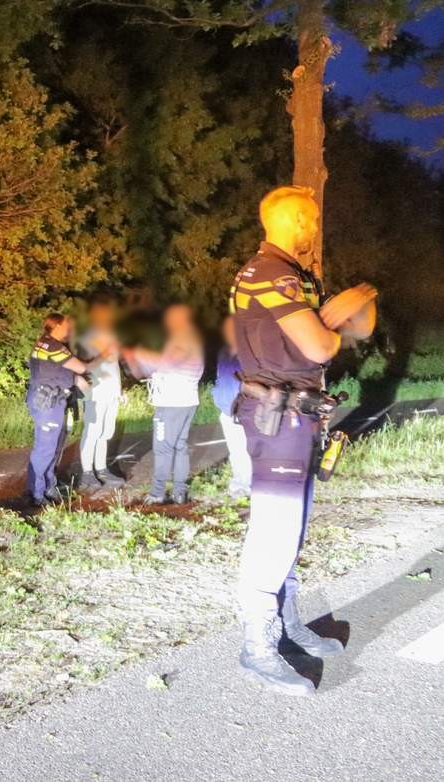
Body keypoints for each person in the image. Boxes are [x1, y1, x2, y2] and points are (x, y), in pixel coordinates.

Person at [229, 185, 377, 696]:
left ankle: (288, 624)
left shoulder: (297, 277)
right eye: (309, 219)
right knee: (274, 529)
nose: (315, 228)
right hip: (276, 416)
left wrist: (355, 307)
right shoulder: (266, 272)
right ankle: (257, 645)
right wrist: (329, 325)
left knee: (292, 528)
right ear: (291, 219)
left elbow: (355, 334)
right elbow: (321, 344)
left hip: (302, 416)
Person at [123, 304, 204, 504]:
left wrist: (136, 352)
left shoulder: (183, 338)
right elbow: (144, 371)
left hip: (171, 403)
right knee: (179, 446)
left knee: (163, 448)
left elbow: (165, 363)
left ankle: (158, 493)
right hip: (186, 400)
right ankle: (179, 491)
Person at [26, 314, 88, 506]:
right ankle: (37, 494)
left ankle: (48, 485)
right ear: (58, 325)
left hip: (52, 400)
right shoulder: (53, 345)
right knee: (45, 449)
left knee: (52, 447)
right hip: (48, 403)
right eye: (67, 325)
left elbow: (57, 369)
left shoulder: (44, 344)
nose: (69, 329)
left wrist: (74, 379)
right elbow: (80, 367)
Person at [77, 298, 124, 489]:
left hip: (111, 394)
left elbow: (114, 367)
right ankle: (87, 472)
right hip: (95, 393)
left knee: (105, 433)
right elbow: (84, 366)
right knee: (92, 432)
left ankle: (102, 469)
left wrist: (121, 390)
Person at [211, 316, 252, 498]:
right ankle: (240, 484)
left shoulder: (250, 352)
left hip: (246, 409)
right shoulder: (224, 352)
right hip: (227, 408)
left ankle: (251, 484)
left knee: (248, 449)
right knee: (236, 450)